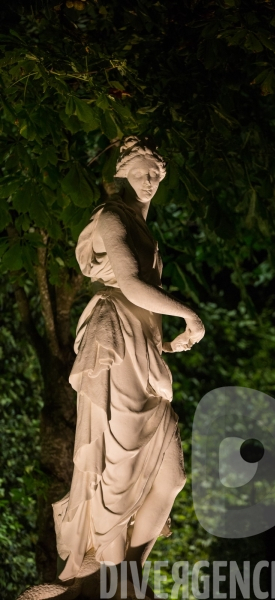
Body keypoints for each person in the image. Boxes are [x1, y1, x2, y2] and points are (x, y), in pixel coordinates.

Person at [52, 136, 205, 598]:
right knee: (115, 470)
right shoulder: (111, 217)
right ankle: (115, 582)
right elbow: (133, 285)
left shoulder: (142, 227)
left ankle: (127, 578)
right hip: (115, 337)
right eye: (143, 170)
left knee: (171, 474)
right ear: (121, 173)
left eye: (157, 173)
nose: (152, 179)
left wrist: (164, 335)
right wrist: (189, 314)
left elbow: (142, 295)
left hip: (144, 346)